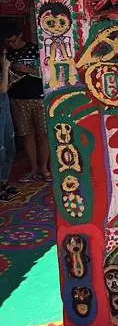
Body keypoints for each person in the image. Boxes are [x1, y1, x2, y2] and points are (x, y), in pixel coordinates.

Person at [1, 21, 51, 183]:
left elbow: (48, 73)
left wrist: (27, 70)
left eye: (14, 40)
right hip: (17, 99)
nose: (11, 44)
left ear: (20, 36)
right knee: (26, 135)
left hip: (39, 97)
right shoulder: (6, 55)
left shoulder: (35, 50)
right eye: (8, 42)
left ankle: (44, 168)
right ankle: (33, 168)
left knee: (43, 134)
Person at [0, 48, 16, 199]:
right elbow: (2, 89)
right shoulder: (3, 68)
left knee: (9, 145)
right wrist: (5, 69)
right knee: (1, 149)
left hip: (4, 106)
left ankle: (4, 181)